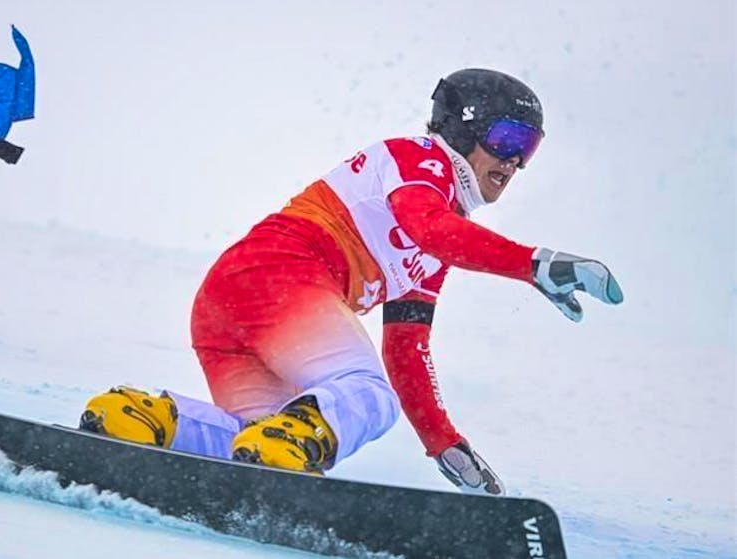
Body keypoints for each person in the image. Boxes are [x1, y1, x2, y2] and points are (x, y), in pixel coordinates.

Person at [79, 68, 623, 496]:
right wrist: (534, 264)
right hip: (280, 276)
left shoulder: (437, 247)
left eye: (528, 149)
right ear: (463, 128)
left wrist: (443, 442)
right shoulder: (423, 159)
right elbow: (426, 226)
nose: (513, 163)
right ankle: (273, 438)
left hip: (229, 305)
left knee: (261, 445)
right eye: (506, 138)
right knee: (365, 397)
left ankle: (146, 417)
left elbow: (408, 349)